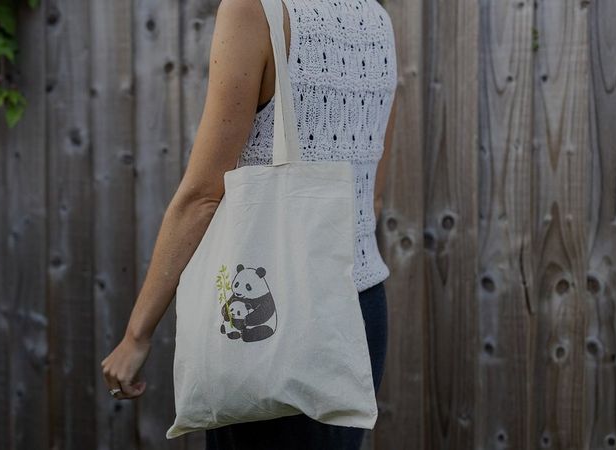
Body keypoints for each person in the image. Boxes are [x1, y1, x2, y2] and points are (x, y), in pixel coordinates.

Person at [100, 0, 397, 447]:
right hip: (360, 309)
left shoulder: (253, 10)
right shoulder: (376, 16)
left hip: (278, 318)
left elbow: (202, 195)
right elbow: (371, 193)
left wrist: (136, 335)